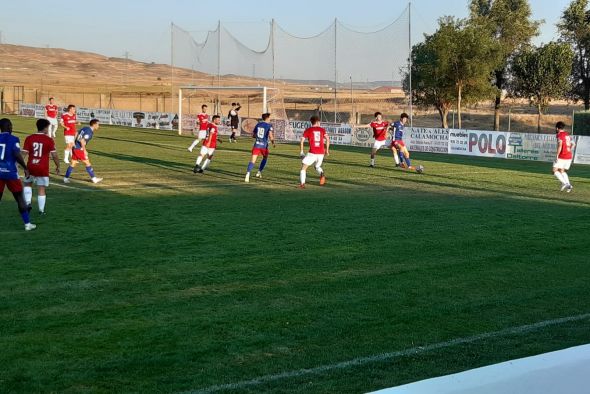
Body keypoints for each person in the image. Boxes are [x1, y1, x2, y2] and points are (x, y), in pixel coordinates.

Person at [0, 118, 36, 231]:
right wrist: (25, 167)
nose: (12, 127)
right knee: (19, 198)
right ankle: (27, 224)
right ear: (9, 126)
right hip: (11, 172)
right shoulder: (14, 139)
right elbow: (16, 154)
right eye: (11, 125)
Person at [22, 119, 60, 215]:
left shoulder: (29, 138)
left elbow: (24, 153)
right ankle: (41, 210)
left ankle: (27, 203)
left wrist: (21, 165)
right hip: (42, 167)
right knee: (41, 188)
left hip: (30, 166)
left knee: (27, 184)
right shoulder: (49, 140)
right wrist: (58, 166)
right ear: (46, 128)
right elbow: (54, 155)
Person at [63, 119, 102, 184]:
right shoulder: (89, 132)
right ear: (94, 124)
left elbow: (76, 133)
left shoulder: (85, 128)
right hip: (79, 149)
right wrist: (84, 150)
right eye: (98, 124)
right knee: (87, 163)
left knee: (73, 163)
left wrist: (73, 142)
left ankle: (65, 178)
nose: (98, 126)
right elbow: (82, 141)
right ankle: (94, 179)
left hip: (75, 148)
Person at [299, 116, 329, 188]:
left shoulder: (308, 130)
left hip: (312, 152)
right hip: (321, 153)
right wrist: (327, 150)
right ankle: (322, 174)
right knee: (317, 166)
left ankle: (302, 184)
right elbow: (328, 139)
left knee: (303, 168)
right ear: (318, 122)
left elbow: (301, 141)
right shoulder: (322, 130)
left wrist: (301, 151)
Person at [245, 113, 275, 183]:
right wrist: (273, 143)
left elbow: (253, 135)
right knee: (265, 158)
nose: (270, 118)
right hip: (264, 146)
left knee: (252, 161)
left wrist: (258, 137)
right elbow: (271, 136)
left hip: (257, 145)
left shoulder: (258, 124)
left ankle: (248, 174)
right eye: (270, 117)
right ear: (267, 118)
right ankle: (259, 172)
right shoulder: (269, 125)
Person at [553, 121, 576, 192]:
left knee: (554, 170)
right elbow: (573, 144)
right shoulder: (567, 134)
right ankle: (568, 185)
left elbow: (560, 145)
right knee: (562, 170)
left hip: (562, 155)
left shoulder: (559, 135)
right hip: (568, 155)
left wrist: (557, 155)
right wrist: (568, 150)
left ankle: (565, 183)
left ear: (557, 128)